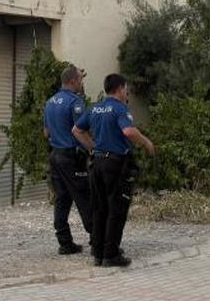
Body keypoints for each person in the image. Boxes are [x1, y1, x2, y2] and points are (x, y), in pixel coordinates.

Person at [72, 74, 155, 268]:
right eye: (126, 89)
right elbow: (128, 131)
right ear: (120, 89)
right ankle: (111, 254)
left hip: (97, 163)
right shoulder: (119, 108)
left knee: (99, 209)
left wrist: (93, 148)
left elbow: (76, 130)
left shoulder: (95, 108)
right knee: (116, 209)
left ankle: (98, 253)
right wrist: (147, 142)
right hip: (115, 165)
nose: (127, 92)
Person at [43, 65, 91, 255]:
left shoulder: (50, 102)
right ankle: (99, 239)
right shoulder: (75, 102)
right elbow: (80, 131)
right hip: (71, 157)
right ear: (73, 81)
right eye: (80, 79)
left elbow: (46, 133)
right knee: (85, 197)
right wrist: (94, 148)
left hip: (55, 156)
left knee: (62, 199)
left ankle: (65, 242)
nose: (82, 82)